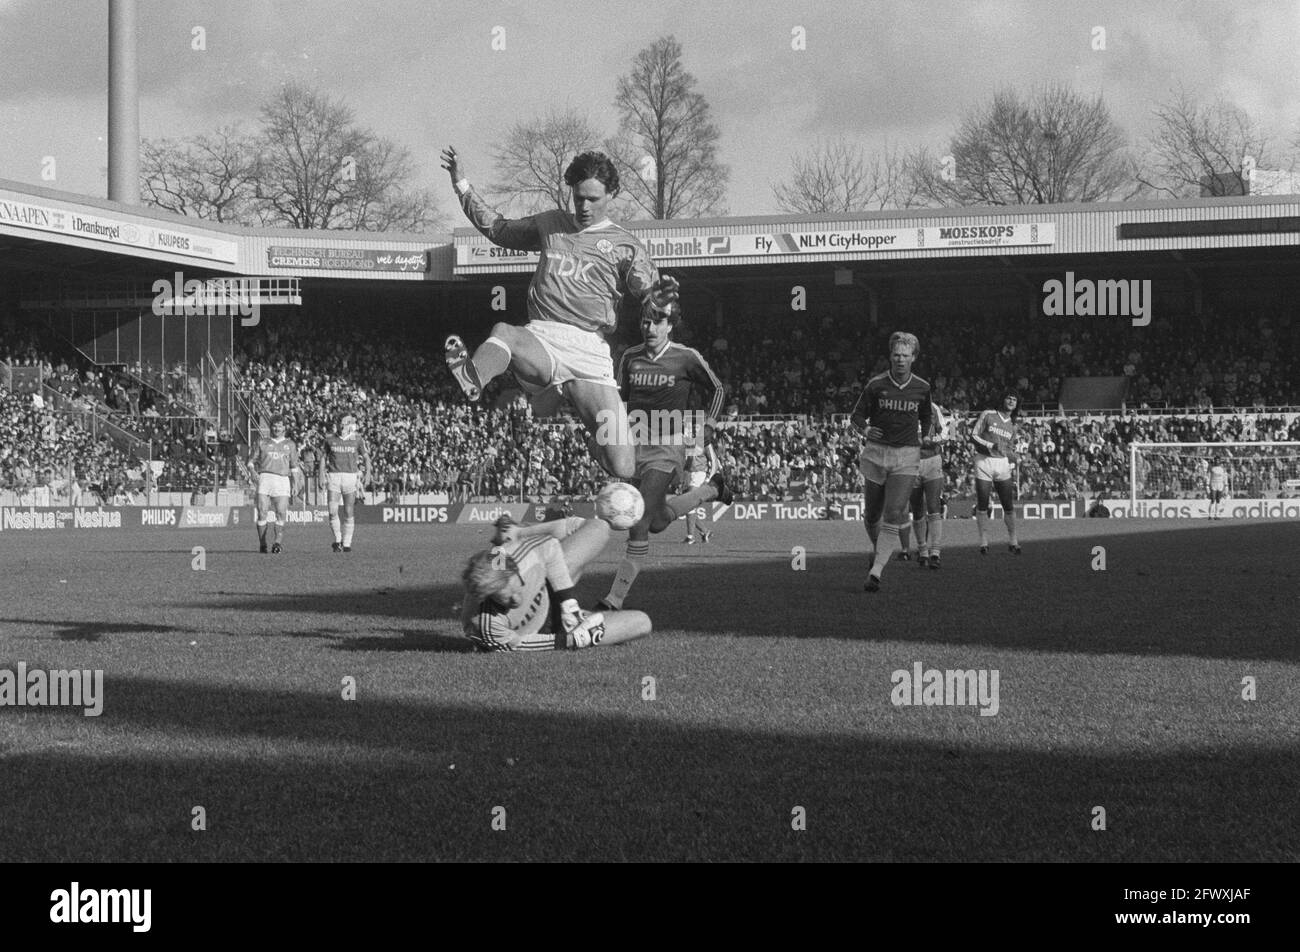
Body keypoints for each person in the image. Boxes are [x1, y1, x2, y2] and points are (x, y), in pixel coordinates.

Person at [440, 146, 680, 479]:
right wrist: (462, 185)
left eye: (593, 199)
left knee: (624, 467)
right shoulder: (550, 224)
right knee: (504, 332)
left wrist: (659, 296)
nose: (584, 206)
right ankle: (473, 375)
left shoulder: (625, 245)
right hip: (543, 337)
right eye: (578, 197)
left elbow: (646, 293)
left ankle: (591, 433)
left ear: (612, 194)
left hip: (590, 355)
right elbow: (498, 229)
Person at [599, 299, 731, 611]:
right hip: (634, 445)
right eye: (645, 321)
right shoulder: (630, 357)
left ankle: (614, 599)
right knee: (657, 521)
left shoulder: (686, 357)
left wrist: (709, 424)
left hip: (667, 446)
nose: (650, 327)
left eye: (657, 322)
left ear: (670, 325)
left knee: (639, 519)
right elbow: (619, 401)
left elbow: (719, 390)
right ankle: (712, 490)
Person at [462, 514, 651, 652]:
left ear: (515, 568)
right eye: (505, 600)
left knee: (599, 527)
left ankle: (520, 530)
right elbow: (519, 644)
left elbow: (550, 547)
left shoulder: (512, 556)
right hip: (547, 630)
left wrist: (569, 604)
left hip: (550, 591)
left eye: (515, 589)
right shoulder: (486, 624)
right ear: (487, 597)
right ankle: (574, 624)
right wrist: (571, 640)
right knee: (642, 623)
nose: (516, 599)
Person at [850, 331, 932, 592]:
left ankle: (876, 571)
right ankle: (877, 548)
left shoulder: (922, 387)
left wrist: (926, 434)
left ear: (914, 358)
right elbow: (856, 416)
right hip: (876, 453)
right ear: (890, 356)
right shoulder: (876, 385)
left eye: (905, 355)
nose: (900, 359)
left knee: (895, 511)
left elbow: (927, 416)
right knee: (872, 513)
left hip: (906, 454)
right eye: (896, 354)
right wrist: (864, 430)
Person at [970, 390, 1021, 554]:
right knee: (983, 503)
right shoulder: (988, 414)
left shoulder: (1013, 425)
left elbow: (1009, 448)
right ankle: (983, 542)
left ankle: (1013, 540)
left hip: (1002, 464)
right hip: (983, 461)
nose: (1012, 401)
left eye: (1014, 399)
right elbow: (973, 435)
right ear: (1003, 400)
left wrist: (1015, 457)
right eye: (1009, 397)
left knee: (1008, 504)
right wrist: (991, 446)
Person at [899, 403, 949, 569]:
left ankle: (935, 553)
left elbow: (946, 434)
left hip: (932, 460)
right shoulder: (901, 405)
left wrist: (928, 440)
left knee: (934, 505)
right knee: (917, 508)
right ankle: (923, 551)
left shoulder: (933, 408)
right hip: (910, 462)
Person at [246, 416, 302, 554]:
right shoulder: (262, 442)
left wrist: (295, 484)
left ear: (284, 428)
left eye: (280, 426)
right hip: (265, 478)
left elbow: (294, 466)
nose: (277, 428)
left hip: (282, 480)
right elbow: (250, 461)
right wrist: (252, 471)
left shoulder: (290, 444)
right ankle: (263, 543)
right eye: (274, 426)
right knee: (262, 512)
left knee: (281, 513)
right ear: (270, 427)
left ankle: (277, 543)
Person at [318, 414, 371, 552]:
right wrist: (321, 476)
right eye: (340, 423)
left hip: (350, 477)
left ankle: (347, 543)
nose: (342, 426)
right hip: (334, 476)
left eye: (345, 423)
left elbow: (366, 457)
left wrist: (368, 474)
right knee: (332, 510)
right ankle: (338, 540)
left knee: (348, 510)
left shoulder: (357, 439)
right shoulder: (330, 439)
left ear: (350, 424)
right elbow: (323, 458)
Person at [682, 422, 720, 544]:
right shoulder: (689, 443)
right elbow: (686, 462)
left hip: (699, 474)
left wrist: (708, 479)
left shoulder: (706, 444)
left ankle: (690, 537)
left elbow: (714, 463)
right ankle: (705, 531)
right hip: (689, 475)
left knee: (689, 505)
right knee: (687, 508)